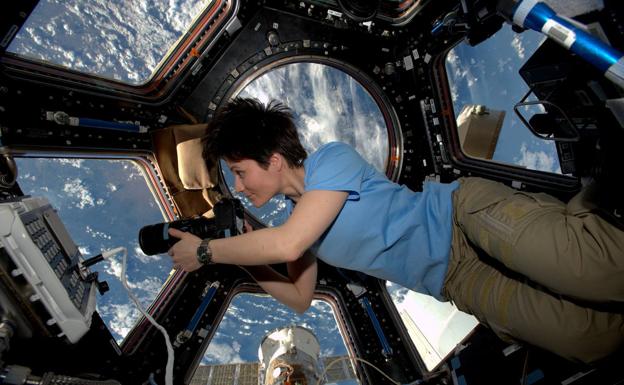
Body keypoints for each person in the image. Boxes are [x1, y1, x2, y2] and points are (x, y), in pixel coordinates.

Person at [167, 97, 624, 363]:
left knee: (599, 270)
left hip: (462, 221)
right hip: (456, 280)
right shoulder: (298, 227)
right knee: (590, 339)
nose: (240, 186)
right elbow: (300, 298)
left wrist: (209, 251)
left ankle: (598, 197)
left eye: (240, 171)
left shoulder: (331, 160)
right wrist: (251, 259)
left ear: (273, 159)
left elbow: (290, 241)